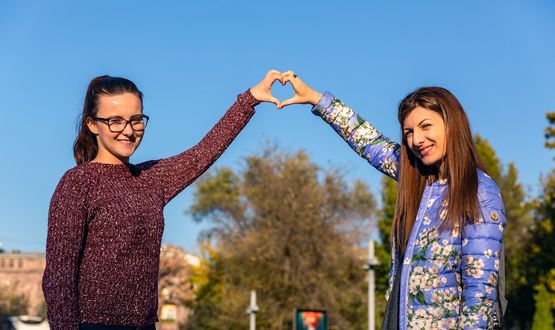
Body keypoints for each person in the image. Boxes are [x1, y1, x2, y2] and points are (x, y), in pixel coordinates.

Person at [42, 70, 283, 330]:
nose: (128, 130)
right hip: (92, 325)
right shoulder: (78, 183)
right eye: (115, 121)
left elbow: (201, 154)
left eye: (136, 120)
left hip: (145, 325)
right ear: (92, 125)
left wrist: (249, 100)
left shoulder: (150, 179)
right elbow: (58, 276)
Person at [278, 71, 506, 329]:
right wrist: (316, 99)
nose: (416, 140)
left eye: (426, 126)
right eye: (408, 132)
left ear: (452, 123)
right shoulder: (418, 179)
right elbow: (368, 141)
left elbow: (480, 294)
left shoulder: (479, 191)